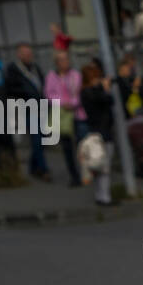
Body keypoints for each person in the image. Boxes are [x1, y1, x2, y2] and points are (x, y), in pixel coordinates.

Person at [4, 43, 50, 180]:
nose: (29, 56)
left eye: (30, 53)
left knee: (43, 140)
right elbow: (10, 88)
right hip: (27, 108)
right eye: (25, 54)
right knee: (37, 139)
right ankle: (43, 170)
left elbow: (42, 84)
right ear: (19, 55)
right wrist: (26, 93)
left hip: (41, 107)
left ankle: (32, 167)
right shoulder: (13, 69)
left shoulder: (35, 68)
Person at [78, 62, 116, 206]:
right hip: (103, 132)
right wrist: (106, 88)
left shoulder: (85, 92)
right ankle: (105, 198)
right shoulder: (91, 93)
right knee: (104, 166)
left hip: (95, 131)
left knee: (100, 166)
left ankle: (100, 195)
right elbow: (107, 100)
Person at [44, 49, 83, 186]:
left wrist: (72, 103)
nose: (64, 62)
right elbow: (49, 93)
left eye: (66, 59)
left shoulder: (75, 75)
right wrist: (63, 103)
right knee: (67, 147)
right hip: (61, 115)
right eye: (60, 60)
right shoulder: (51, 76)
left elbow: (78, 92)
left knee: (81, 144)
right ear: (56, 63)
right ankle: (74, 175)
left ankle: (85, 172)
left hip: (77, 113)